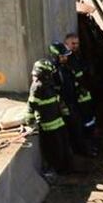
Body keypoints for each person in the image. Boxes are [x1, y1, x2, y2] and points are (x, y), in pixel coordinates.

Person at [29, 45, 73, 174]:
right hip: (53, 122)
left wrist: (29, 118)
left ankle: (62, 168)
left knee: (58, 146)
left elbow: (35, 104)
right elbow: (34, 104)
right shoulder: (43, 85)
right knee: (59, 146)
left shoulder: (42, 85)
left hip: (53, 122)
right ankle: (63, 168)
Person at [63, 33, 98, 145]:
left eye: (77, 43)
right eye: (73, 43)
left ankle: (91, 139)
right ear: (66, 43)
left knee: (88, 116)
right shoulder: (67, 58)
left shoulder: (77, 56)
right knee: (81, 119)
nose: (75, 46)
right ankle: (86, 140)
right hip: (75, 96)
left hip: (83, 93)